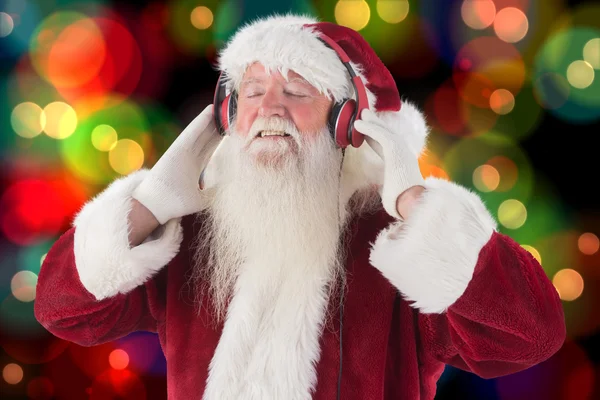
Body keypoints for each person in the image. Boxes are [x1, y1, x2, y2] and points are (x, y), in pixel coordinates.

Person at [34, 14, 566, 400]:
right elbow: (64, 312)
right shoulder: (195, 238)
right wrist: (150, 203)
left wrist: (414, 203)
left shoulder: (403, 250)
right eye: (252, 91)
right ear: (227, 114)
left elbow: (529, 337)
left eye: (296, 90)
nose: (267, 107)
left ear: (349, 123)